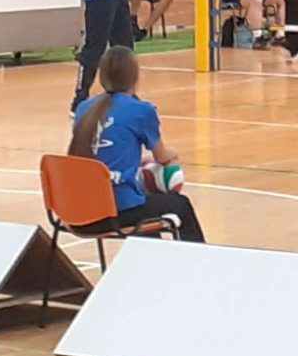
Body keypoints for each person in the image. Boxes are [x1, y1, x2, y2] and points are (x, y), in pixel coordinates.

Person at [71, 46, 205, 242]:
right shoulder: (141, 111)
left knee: (144, 205)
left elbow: (101, 152)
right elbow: (162, 156)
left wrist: (136, 161)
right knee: (180, 205)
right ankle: (200, 260)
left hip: (76, 211)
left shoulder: (84, 108)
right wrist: (174, 154)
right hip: (112, 213)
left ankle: (149, 256)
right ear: (135, 78)